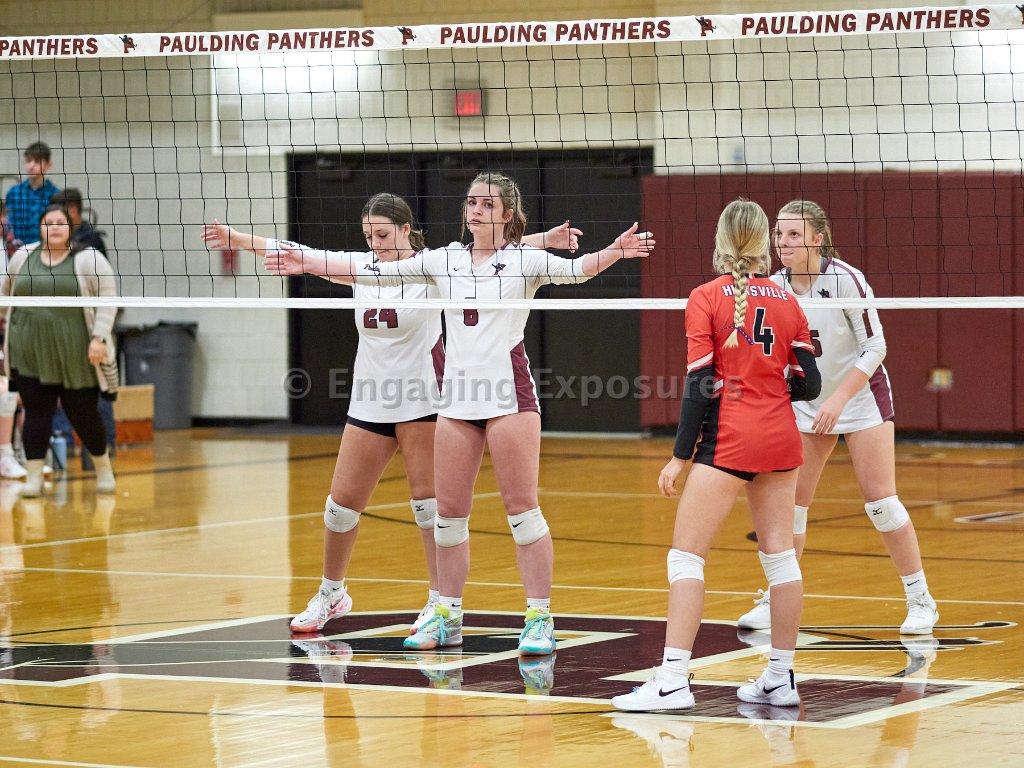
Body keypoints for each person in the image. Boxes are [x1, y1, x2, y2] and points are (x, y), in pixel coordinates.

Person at [264, 171, 653, 656]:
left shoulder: (526, 260)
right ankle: (446, 615)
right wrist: (304, 260)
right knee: (447, 517)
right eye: (471, 203)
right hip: (455, 402)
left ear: (507, 214)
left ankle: (539, 618)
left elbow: (578, 270)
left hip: (508, 398)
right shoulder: (444, 259)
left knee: (523, 514)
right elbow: (374, 269)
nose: (475, 211)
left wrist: (614, 250)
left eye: (487, 205)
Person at [202, 192, 580, 635]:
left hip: (423, 401)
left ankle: (439, 603)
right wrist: (237, 238)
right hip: (370, 401)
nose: (375, 244)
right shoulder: (365, 269)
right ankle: (331, 593)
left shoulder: (432, 269)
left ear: (405, 229)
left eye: (382, 235)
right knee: (340, 509)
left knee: (431, 510)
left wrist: (542, 240)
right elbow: (304, 254)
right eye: (368, 236)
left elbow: (492, 254)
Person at [611, 199, 821, 712]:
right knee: (781, 559)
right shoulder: (790, 301)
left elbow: (700, 386)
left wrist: (679, 457)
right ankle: (780, 679)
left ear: (721, 241)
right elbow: (810, 383)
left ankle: (673, 681)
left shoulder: (706, 297)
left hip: (730, 439)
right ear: (764, 242)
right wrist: (770, 389)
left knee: (686, 557)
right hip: (782, 440)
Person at [736, 199, 938, 635]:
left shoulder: (846, 279)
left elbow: (876, 347)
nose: (783, 243)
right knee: (790, 510)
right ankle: (776, 598)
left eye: (793, 234)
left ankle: (920, 599)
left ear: (817, 238)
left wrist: (839, 400)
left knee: (881, 503)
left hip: (860, 399)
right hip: (807, 403)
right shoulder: (771, 286)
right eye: (778, 234)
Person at [0, 204, 117, 497]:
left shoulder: (89, 258)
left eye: (60, 222)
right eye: (48, 222)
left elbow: (108, 298)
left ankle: (103, 469)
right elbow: (5, 294)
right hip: (28, 350)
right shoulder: (22, 256)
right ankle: (34, 478)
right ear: (40, 227)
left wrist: (99, 338)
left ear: (70, 227)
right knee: (36, 414)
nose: (54, 227)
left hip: (75, 351)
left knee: (83, 414)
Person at [5, 142, 59, 246]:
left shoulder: (55, 194)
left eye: (37, 161)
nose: (31, 165)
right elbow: (8, 227)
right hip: (17, 250)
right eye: (28, 161)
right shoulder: (13, 193)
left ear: (48, 165)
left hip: (45, 249)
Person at [51, 188, 108, 256]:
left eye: (58, 211)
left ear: (73, 211)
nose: (54, 215)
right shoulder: (57, 235)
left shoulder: (92, 241)